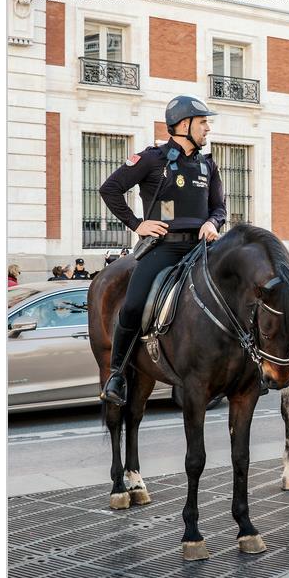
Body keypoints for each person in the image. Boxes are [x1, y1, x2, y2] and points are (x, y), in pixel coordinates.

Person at [98, 95, 226, 406]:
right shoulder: (153, 159)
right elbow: (110, 188)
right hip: (164, 249)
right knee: (132, 306)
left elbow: (219, 207)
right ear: (184, 125)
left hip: (202, 248)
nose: (208, 128)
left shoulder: (207, 164)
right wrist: (137, 224)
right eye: (203, 122)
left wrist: (212, 222)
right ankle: (117, 374)